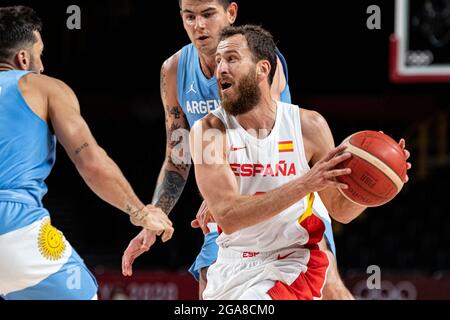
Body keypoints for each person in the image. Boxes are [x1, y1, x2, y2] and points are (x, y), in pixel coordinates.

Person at [122, 0, 352, 299]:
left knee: (331, 285)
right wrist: (155, 217)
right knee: (209, 279)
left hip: (287, 187)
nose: (198, 25)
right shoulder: (174, 70)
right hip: (233, 198)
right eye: (189, 16)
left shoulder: (258, 60)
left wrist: (225, 193)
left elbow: (260, 133)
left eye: (207, 14)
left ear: (230, 13)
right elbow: (178, 156)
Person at [189, 25, 411, 299]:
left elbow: (340, 209)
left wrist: (383, 179)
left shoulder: (308, 126)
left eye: (232, 58)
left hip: (293, 261)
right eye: (219, 60)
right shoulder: (208, 132)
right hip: (232, 262)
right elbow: (228, 216)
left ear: (262, 69)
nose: (220, 67)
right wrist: (306, 183)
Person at [0, 6, 173, 300]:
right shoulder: (43, 87)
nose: (42, 66)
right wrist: (141, 212)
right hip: (14, 229)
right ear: (23, 58)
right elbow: (90, 160)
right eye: (40, 54)